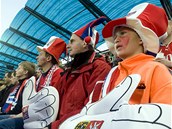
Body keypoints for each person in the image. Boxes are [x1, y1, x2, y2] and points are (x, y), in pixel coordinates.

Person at [101, 3, 172, 104]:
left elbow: (166, 112)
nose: (116, 40)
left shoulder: (156, 69)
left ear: (140, 39)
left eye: (122, 33)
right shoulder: (112, 73)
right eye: (115, 37)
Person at [48, 16, 111, 129]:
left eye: (72, 41)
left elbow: (91, 107)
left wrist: (54, 126)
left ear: (84, 43)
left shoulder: (100, 68)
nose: (68, 46)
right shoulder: (68, 72)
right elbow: (53, 101)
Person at [0, 61, 36, 128]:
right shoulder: (22, 84)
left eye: (19, 68)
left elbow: (21, 106)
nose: (16, 70)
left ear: (25, 72)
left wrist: (7, 113)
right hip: (16, 113)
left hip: (22, 115)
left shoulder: (28, 83)